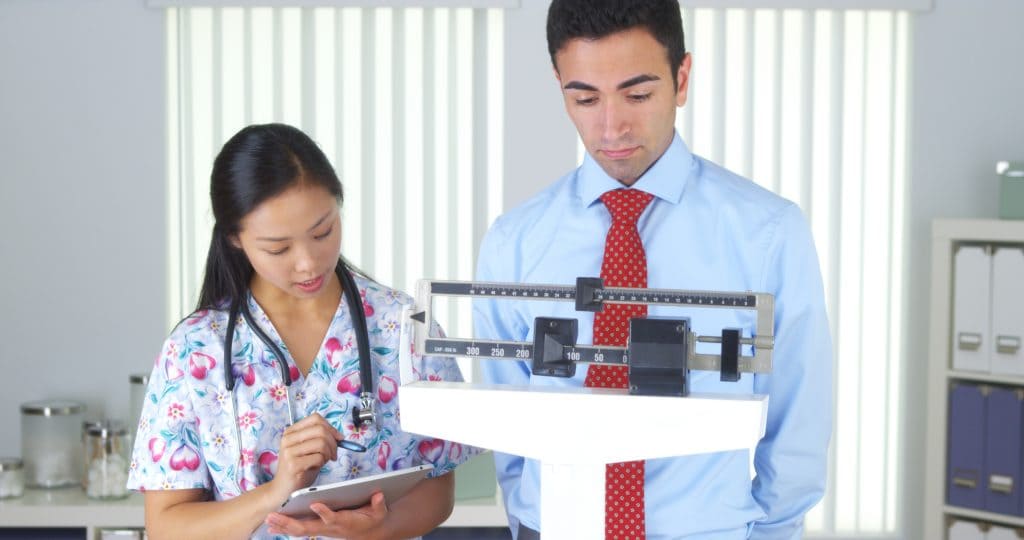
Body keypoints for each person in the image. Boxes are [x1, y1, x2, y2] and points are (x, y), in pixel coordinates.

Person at [473, 1, 832, 539]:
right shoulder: (514, 242)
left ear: (681, 78)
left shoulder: (769, 233)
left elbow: (798, 418)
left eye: (637, 94)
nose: (612, 126)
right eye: (585, 97)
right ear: (559, 84)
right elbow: (510, 428)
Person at [128, 123, 477, 540]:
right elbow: (166, 527)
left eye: (323, 232)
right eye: (278, 248)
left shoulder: (403, 326)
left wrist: (380, 527)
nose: (308, 263)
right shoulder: (193, 349)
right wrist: (277, 491)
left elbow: (440, 485)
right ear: (235, 238)